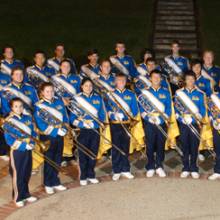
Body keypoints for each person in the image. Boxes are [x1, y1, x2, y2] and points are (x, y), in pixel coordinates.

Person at [69, 78, 106, 186]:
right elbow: (72, 118)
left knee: (93, 152)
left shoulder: (98, 98)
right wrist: (82, 124)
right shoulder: (76, 99)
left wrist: (100, 122)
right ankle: (83, 175)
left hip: (95, 129)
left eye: (90, 85)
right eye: (86, 85)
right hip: (83, 130)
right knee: (83, 153)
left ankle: (91, 174)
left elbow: (102, 114)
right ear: (81, 86)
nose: (88, 88)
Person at [34, 82, 68, 194]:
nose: (50, 93)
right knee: (49, 160)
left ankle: (55, 181)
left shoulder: (59, 102)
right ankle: (48, 183)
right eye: (47, 91)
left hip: (60, 135)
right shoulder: (39, 105)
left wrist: (65, 128)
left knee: (57, 159)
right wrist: (55, 130)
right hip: (48, 136)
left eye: (52, 91)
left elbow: (65, 117)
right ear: (42, 93)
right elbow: (40, 124)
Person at [3, 98, 37, 207]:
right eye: (16, 106)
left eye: (21, 106)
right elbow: (9, 140)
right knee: (18, 174)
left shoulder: (27, 118)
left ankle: (26, 194)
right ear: (12, 108)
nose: (19, 108)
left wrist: (32, 142)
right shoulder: (9, 121)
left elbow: (33, 132)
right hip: (17, 151)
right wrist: (23, 145)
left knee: (27, 172)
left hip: (28, 149)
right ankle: (17, 197)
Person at [106, 73, 139, 181]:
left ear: (126, 82)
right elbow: (106, 109)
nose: (121, 82)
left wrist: (124, 115)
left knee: (125, 147)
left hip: (126, 123)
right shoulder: (110, 94)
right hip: (115, 124)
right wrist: (112, 114)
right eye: (119, 80)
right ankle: (116, 170)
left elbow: (134, 110)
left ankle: (125, 169)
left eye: (123, 80)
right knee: (116, 147)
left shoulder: (131, 94)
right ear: (115, 82)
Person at [139, 70, 171, 178]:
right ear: (150, 79)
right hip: (149, 122)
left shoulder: (166, 92)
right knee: (150, 144)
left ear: (161, 79)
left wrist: (161, 119)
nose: (156, 79)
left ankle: (159, 166)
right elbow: (141, 109)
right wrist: (148, 117)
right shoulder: (144, 92)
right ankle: (150, 166)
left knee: (160, 144)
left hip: (161, 122)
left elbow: (168, 109)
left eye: (158, 77)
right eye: (154, 77)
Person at [174, 71, 206, 179]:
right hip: (183, 124)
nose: (190, 81)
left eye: (192, 79)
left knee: (194, 146)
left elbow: (202, 110)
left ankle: (194, 167)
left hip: (195, 124)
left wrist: (196, 117)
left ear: (195, 80)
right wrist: (181, 118)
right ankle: (185, 167)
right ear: (185, 80)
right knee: (185, 145)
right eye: (188, 79)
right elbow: (176, 109)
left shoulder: (200, 93)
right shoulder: (179, 93)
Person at [208, 92, 220, 180]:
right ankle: (217, 171)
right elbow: (210, 111)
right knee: (218, 150)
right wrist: (213, 119)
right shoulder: (214, 97)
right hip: (218, 127)